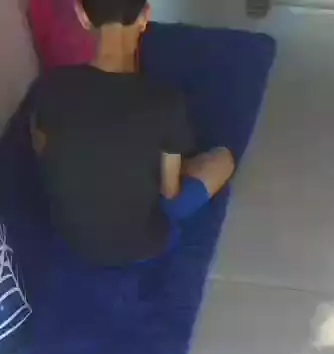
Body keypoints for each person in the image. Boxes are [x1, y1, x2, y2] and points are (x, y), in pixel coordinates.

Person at [30, 0, 235, 266]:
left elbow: (44, 153)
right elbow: (170, 191)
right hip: (141, 243)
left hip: (71, 235)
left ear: (82, 16)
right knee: (223, 160)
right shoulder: (165, 102)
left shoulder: (50, 87)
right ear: (145, 16)